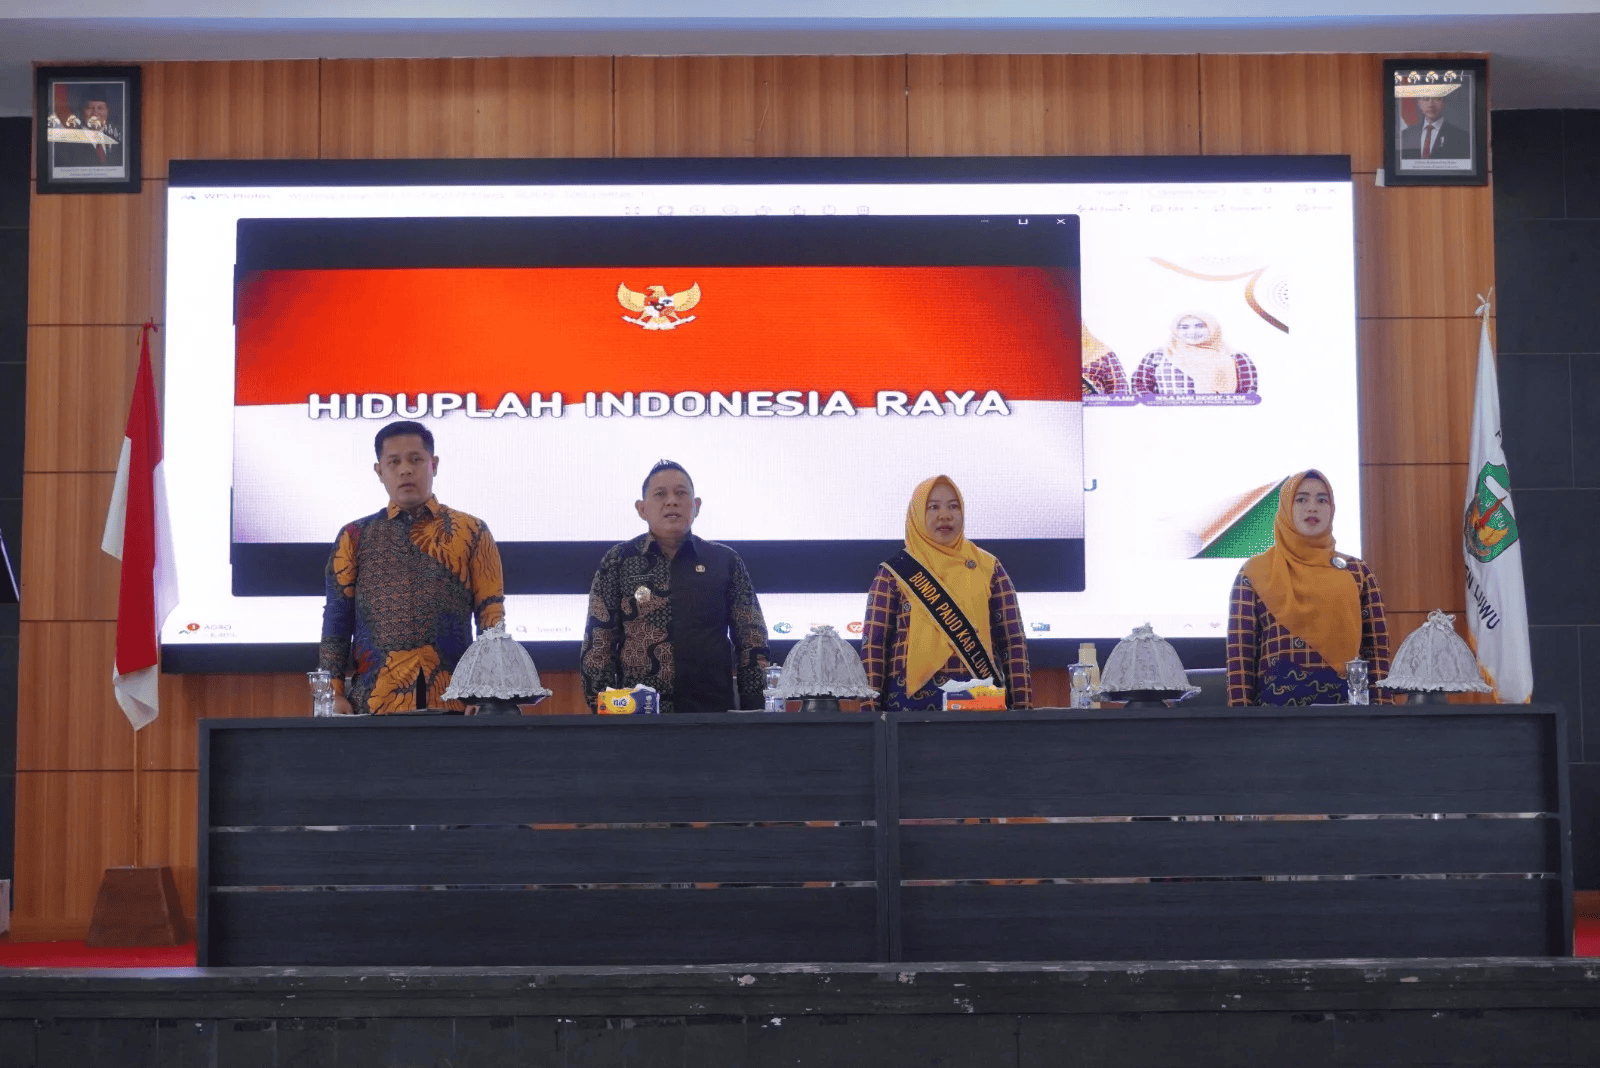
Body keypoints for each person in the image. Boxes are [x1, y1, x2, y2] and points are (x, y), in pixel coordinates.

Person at [319, 421, 505, 714]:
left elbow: (490, 617)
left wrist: (488, 696)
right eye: (393, 462)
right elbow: (337, 621)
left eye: (416, 459)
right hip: (373, 704)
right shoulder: (354, 536)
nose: (405, 469)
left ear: (434, 464)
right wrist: (332, 695)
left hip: (456, 703)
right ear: (379, 471)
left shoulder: (472, 531)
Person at [580, 460, 770, 714]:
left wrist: (754, 711)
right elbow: (599, 644)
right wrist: (602, 713)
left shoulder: (724, 560)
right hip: (637, 720)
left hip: (712, 716)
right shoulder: (618, 560)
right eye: (660, 494)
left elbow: (752, 641)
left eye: (681, 493)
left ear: (696, 506)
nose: (672, 501)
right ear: (641, 509)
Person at [859, 475, 1032, 711]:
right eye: (933, 507)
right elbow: (874, 649)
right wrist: (870, 713)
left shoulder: (989, 567)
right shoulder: (894, 572)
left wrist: (1023, 710)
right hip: (908, 716)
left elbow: (1013, 643)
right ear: (917, 514)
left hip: (982, 711)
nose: (945, 515)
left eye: (953, 506)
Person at [1226, 469, 1391, 706]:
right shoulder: (1253, 573)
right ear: (1286, 507)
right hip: (1275, 725)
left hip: (1351, 723)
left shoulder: (1357, 572)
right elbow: (1240, 657)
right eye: (1301, 499)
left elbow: (1377, 651)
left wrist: (1383, 718)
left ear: (1331, 508)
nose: (1312, 507)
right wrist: (1242, 727)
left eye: (1322, 500)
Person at [1132, 312, 1259, 397]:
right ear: (1175, 330)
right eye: (1184, 327)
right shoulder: (1158, 355)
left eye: (1200, 326)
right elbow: (1140, 388)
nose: (1192, 332)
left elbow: (1247, 396)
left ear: (1213, 328)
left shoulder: (1236, 357)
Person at [52, 95, 125, 169]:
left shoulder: (118, 142)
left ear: (107, 111)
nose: (95, 113)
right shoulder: (67, 142)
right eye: (90, 108)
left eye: (100, 108)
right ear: (81, 111)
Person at [1400, 94, 1470, 160]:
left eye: (1437, 98)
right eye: (1425, 99)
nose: (1431, 105)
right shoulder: (1406, 134)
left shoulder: (1462, 137)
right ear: (1418, 102)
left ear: (1444, 102)